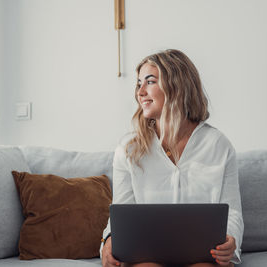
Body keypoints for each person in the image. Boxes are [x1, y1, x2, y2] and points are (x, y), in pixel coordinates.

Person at [100, 49, 244, 267]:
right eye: (138, 84)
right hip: (145, 256)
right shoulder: (129, 149)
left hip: (204, 256)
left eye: (150, 82)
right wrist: (109, 240)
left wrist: (230, 241)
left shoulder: (218, 145)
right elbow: (121, 213)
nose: (140, 92)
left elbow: (232, 212)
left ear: (177, 85)